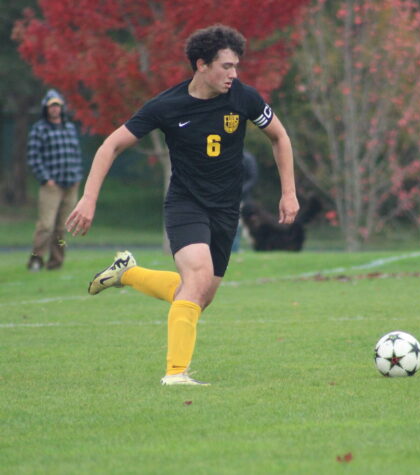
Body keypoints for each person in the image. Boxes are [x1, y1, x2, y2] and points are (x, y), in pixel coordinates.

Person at [65, 25, 299, 385]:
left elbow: (279, 137)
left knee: (198, 296)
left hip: (225, 210)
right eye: (226, 66)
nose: (233, 74)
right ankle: (176, 374)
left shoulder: (244, 98)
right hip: (186, 203)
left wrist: (289, 192)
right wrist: (89, 197)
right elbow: (110, 145)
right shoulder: (166, 105)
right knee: (198, 277)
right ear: (201, 65)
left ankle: (127, 273)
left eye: (236, 66)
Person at [27, 89, 83, 271]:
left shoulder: (69, 127)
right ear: (46, 108)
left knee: (62, 228)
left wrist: (77, 176)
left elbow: (76, 155)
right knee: (46, 226)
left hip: (71, 184)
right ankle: (36, 258)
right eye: (52, 106)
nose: (55, 109)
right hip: (52, 186)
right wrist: (45, 179)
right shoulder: (39, 129)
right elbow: (33, 157)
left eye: (58, 105)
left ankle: (56, 261)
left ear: (62, 107)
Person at [231, 150, 258, 252]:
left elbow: (253, 178)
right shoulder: (227, 154)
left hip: (243, 199)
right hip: (226, 197)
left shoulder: (248, 158)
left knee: (240, 226)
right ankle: (233, 249)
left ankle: (236, 249)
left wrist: (240, 190)